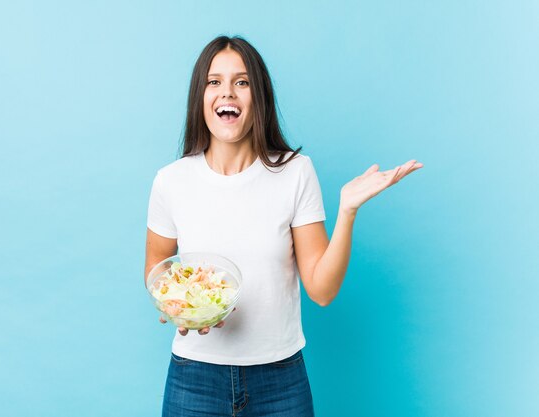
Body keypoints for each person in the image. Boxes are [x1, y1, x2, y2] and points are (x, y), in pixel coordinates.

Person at [144, 35, 423, 417]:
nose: (228, 92)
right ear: (200, 97)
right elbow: (157, 266)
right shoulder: (171, 181)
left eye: (242, 82)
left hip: (280, 380)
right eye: (215, 82)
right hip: (194, 378)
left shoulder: (295, 172)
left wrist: (347, 211)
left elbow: (321, 290)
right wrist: (173, 304)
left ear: (259, 97)